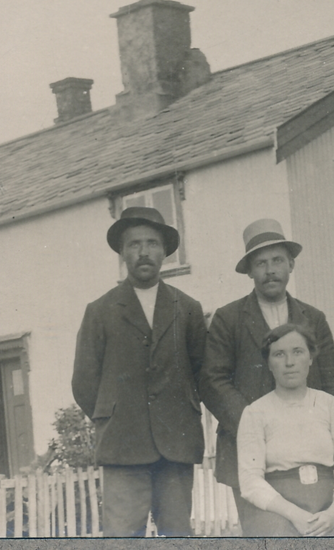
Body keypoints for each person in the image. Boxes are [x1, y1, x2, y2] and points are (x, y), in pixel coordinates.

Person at [200, 218, 334, 531]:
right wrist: (256, 427)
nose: (270, 270)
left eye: (277, 261)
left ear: (291, 265)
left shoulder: (314, 319)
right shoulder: (228, 319)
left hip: (310, 456)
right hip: (248, 452)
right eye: (261, 263)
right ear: (249, 271)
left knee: (318, 533)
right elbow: (213, 381)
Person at [71, 206, 207, 537]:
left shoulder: (187, 309)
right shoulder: (100, 311)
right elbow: (84, 382)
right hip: (123, 446)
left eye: (151, 243)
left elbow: (202, 373)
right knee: (122, 536)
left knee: (177, 534)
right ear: (122, 253)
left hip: (175, 446)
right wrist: (116, 416)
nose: (143, 252)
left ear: (164, 251)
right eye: (134, 244)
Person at [235, 324, 334, 537]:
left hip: (329, 504)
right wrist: (295, 515)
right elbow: (250, 482)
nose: (289, 362)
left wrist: (333, 514)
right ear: (268, 363)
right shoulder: (254, 412)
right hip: (277, 509)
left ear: (311, 358)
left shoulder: (332, 405)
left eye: (298, 352)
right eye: (279, 354)